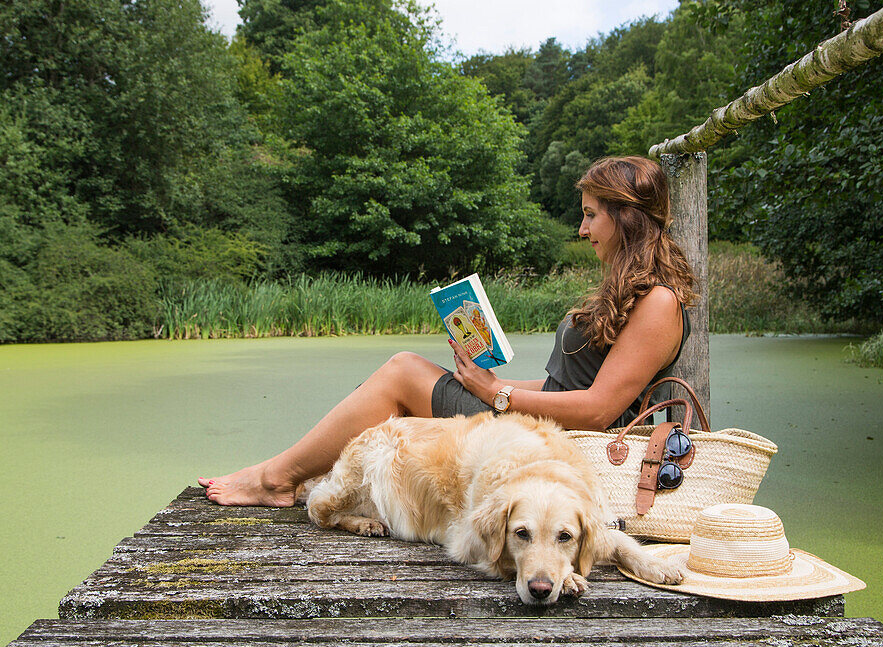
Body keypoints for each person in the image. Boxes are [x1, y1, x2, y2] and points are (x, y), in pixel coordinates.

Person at [199, 156, 697, 507]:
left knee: (401, 372)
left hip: (564, 447)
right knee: (414, 376)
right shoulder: (628, 291)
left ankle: (276, 478)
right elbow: (564, 390)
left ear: (627, 217)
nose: (582, 230)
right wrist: (477, 381)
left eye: (591, 215)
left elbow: (599, 410)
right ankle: (299, 474)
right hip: (542, 426)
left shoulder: (658, 302)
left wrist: (497, 394)